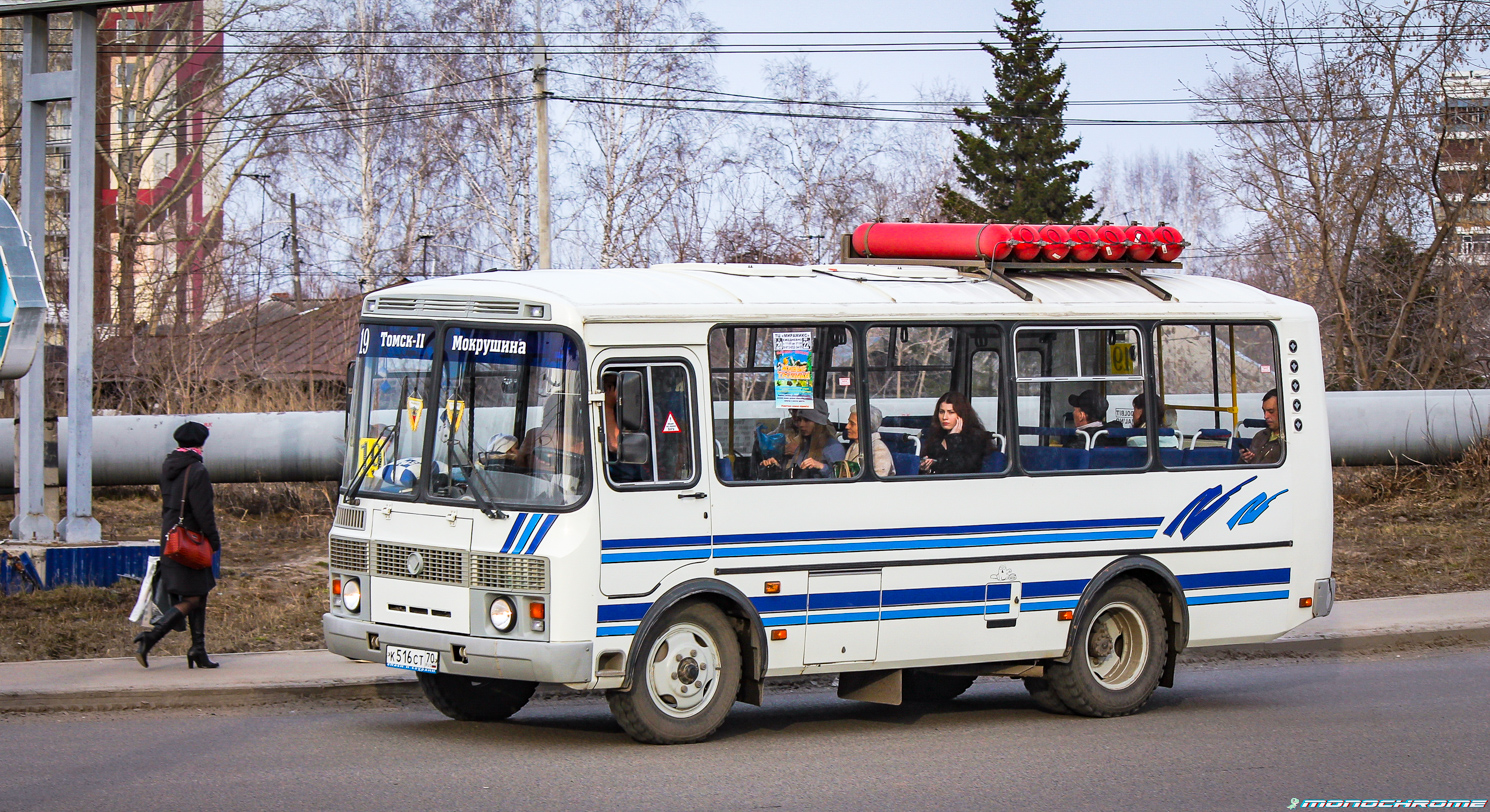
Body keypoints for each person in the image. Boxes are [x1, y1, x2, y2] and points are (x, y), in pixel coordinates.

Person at [135, 421, 221, 669]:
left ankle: (198, 649)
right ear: (201, 442)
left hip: (171, 537)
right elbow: (204, 512)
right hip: (191, 541)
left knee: (198, 593)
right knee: (193, 598)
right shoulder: (197, 470)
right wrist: (213, 541)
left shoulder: (169, 465)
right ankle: (150, 638)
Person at [760, 397, 844, 478]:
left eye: (807, 420)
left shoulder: (833, 448)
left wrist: (821, 467)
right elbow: (796, 474)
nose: (801, 424)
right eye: (799, 420)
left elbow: (840, 477)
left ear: (818, 423)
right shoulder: (803, 447)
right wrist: (776, 467)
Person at [920, 392, 992, 475]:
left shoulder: (976, 438)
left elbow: (961, 470)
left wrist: (953, 438)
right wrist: (926, 468)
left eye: (951, 412)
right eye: (941, 412)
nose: (945, 417)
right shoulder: (936, 435)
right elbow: (940, 469)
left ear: (961, 415)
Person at [845, 404, 893, 478]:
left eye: (852, 424)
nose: (847, 426)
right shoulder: (855, 445)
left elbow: (877, 479)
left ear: (867, 426)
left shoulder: (878, 449)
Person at [1241, 388, 1285, 464]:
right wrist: (1244, 459)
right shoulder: (1260, 436)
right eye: (1264, 411)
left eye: (1271, 411)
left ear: (1283, 410)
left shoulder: (1289, 441)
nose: (1265, 416)